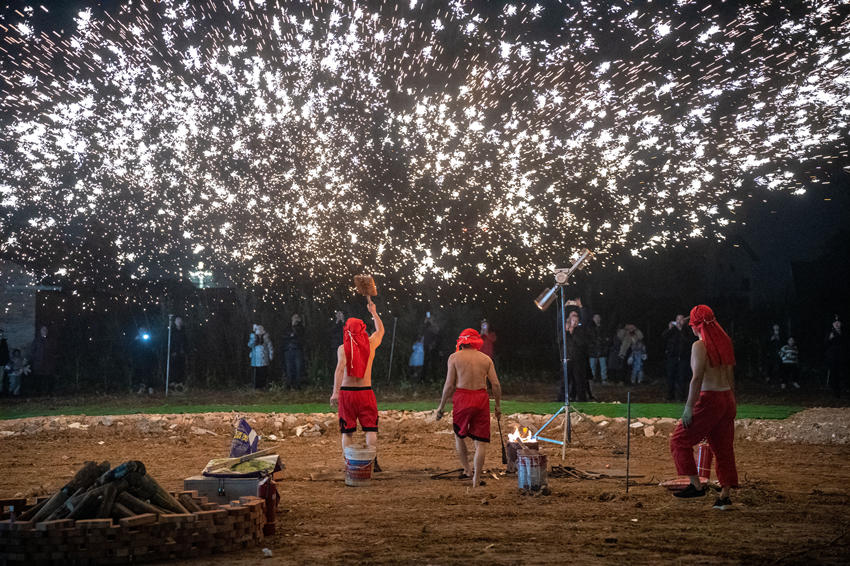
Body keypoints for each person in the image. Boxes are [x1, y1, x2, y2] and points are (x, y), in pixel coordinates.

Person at [669, 305, 738, 510]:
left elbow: (697, 378)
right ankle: (725, 495)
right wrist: (732, 401)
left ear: (695, 325)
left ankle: (696, 485)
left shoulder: (700, 346)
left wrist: (689, 407)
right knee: (723, 448)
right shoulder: (724, 341)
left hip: (710, 399)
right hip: (727, 397)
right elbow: (730, 374)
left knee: (679, 440)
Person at [435, 329, 502, 488]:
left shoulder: (454, 358)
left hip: (462, 398)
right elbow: (496, 385)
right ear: (476, 341)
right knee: (481, 443)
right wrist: (498, 406)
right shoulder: (486, 359)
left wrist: (441, 406)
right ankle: (476, 479)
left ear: (461, 342)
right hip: (481, 398)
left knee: (459, 436)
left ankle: (467, 469)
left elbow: (449, 385)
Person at [330, 300, 385, 470]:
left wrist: (335, 393)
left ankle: (349, 462)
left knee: (347, 431)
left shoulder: (342, 348)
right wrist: (374, 313)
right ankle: (372, 461)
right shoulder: (370, 344)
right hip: (365, 391)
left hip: (347, 393)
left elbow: (339, 370)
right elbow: (380, 331)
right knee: (370, 428)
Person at [561, 308, 593, 402]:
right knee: (565, 381)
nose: (574, 320)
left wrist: (573, 331)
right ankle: (563, 399)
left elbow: (581, 343)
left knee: (579, 382)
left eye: (576, 317)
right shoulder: (564, 330)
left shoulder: (581, 330)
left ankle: (581, 400)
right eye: (572, 317)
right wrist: (568, 332)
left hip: (579, 360)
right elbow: (560, 341)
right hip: (567, 358)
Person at [662, 315, 693, 400]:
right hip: (672, 357)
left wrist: (682, 329)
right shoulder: (672, 330)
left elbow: (690, 340)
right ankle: (670, 396)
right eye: (678, 319)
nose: (679, 321)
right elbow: (664, 337)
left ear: (684, 321)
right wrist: (670, 328)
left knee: (682, 378)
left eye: (681, 319)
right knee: (670, 377)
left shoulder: (687, 330)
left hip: (683, 358)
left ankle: (682, 397)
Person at [31, 325, 58, 395]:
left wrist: (53, 359)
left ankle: (49, 392)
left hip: (48, 364)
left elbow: (54, 350)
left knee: (49, 378)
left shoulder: (50, 340)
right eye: (43, 330)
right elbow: (33, 351)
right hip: (39, 364)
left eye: (46, 330)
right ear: (40, 331)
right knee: (38, 379)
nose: (44, 331)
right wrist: (36, 360)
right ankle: (38, 392)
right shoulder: (36, 340)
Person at [282, 314, 306, 389]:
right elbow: (284, 336)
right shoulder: (287, 327)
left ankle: (297, 385)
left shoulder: (301, 327)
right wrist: (291, 335)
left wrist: (293, 334)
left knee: (298, 368)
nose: (295, 319)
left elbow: (300, 337)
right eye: (294, 317)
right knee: (289, 368)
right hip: (288, 350)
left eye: (297, 317)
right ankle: (289, 384)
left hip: (297, 350)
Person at [826, 316, 847, 398]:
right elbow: (825, 344)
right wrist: (829, 339)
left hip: (843, 356)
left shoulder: (844, 332)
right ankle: (835, 391)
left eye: (838, 322)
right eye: (835, 323)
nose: (837, 324)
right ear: (833, 324)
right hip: (833, 357)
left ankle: (844, 388)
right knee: (834, 374)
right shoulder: (830, 333)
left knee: (844, 373)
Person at [248, 324, 273, 389]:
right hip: (255, 360)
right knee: (256, 374)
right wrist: (253, 338)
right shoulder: (253, 338)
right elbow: (250, 345)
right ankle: (256, 387)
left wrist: (271, 354)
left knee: (263, 373)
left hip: (264, 359)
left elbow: (270, 346)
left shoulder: (266, 338)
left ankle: (263, 386)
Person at [587, 314, 609, 383]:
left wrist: (604, 344)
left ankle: (604, 379)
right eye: (595, 317)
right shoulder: (589, 328)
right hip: (593, 350)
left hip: (602, 350)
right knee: (592, 366)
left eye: (598, 317)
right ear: (593, 319)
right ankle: (592, 379)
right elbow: (588, 339)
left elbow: (606, 339)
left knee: (603, 366)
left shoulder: (604, 328)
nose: (597, 319)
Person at [169, 316, 187, 386]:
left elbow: (185, 342)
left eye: (180, 321)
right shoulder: (172, 332)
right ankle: (173, 381)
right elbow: (171, 342)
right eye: (177, 321)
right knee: (174, 368)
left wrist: (184, 350)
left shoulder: (183, 331)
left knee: (181, 368)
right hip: (174, 353)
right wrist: (172, 351)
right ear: (175, 322)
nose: (179, 322)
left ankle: (180, 382)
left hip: (181, 353)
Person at [0, 329, 9, 395]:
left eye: (2, 334)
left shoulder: (4, 342)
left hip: (2, 363)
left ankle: (0, 391)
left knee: (1, 378)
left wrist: (6, 362)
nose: (1, 335)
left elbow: (6, 353)